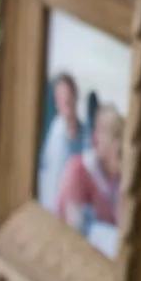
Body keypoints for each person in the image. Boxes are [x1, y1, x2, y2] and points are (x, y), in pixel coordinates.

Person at [55, 103, 123, 236]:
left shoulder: (118, 179)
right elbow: (74, 230)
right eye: (115, 138)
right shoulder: (78, 170)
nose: (119, 148)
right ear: (98, 138)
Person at [36, 72, 87, 212]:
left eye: (68, 96)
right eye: (61, 97)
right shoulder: (53, 133)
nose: (65, 101)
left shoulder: (86, 135)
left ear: (75, 97)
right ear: (56, 101)